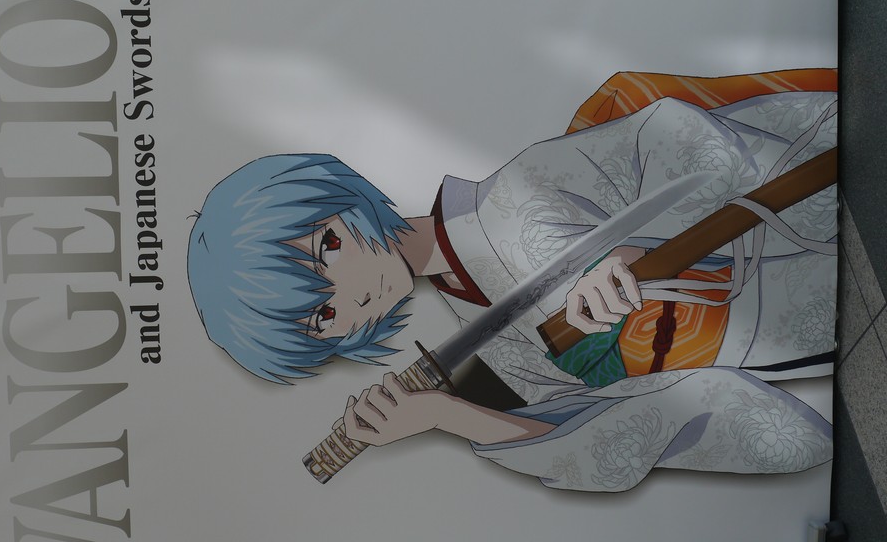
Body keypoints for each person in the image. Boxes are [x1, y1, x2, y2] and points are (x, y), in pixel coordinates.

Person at [187, 72, 837, 491]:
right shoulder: (507, 358)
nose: (349, 293)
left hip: (827, 213)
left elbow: (690, 145)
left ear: (342, 202)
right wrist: (448, 415)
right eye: (322, 319)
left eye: (326, 248)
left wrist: (635, 249)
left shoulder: (528, 186)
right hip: (824, 334)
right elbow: (621, 441)